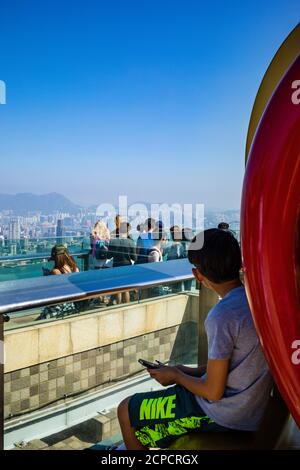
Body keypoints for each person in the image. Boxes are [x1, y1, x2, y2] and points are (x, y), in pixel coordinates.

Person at [117, 229, 273, 450]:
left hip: (223, 414)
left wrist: (176, 376)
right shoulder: (256, 301)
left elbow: (213, 391)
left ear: (197, 275)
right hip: (252, 411)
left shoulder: (223, 316)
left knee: (125, 410)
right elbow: (234, 369)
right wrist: (182, 370)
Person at [108, 222, 136, 304]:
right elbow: (134, 258)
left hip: (116, 266)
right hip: (127, 267)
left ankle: (118, 307)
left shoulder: (113, 242)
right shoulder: (130, 242)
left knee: (118, 289)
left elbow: (109, 256)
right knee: (126, 289)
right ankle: (126, 306)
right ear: (128, 231)